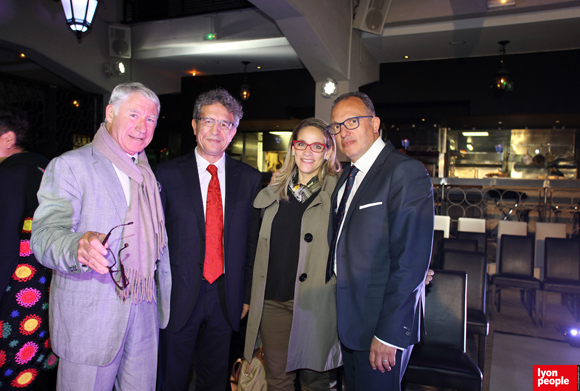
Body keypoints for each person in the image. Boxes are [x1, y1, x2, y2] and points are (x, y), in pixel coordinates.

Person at [31, 82, 171, 390]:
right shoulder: (71, 165)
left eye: (150, 119)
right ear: (110, 113)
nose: (142, 126)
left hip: (144, 308)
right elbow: (44, 235)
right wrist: (77, 246)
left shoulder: (148, 174)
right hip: (90, 317)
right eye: (134, 114)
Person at [155, 87, 262, 391]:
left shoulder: (250, 178)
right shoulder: (165, 175)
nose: (216, 130)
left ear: (234, 131)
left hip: (226, 298)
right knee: (171, 378)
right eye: (208, 121)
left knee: (214, 380)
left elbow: (252, 243)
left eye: (225, 124)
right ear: (194, 125)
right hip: (178, 295)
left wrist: (245, 295)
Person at [326, 91, 434, 391]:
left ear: (374, 124)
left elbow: (411, 260)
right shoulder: (348, 176)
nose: (343, 132)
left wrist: (388, 334)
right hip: (351, 321)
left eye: (352, 121)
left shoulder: (404, 172)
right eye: (336, 126)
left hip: (380, 327)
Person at [244, 118, 342, 391]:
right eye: (301, 144)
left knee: (315, 381)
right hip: (274, 300)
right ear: (293, 148)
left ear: (327, 151)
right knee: (278, 380)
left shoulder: (338, 192)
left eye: (316, 145)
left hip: (314, 301)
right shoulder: (274, 190)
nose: (308, 152)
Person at [0, 107, 57, 389]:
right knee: (33, 352)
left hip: (17, 282)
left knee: (11, 356)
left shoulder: (11, 171)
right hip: (45, 278)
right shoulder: (43, 165)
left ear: (8, 138)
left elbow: (6, 238)